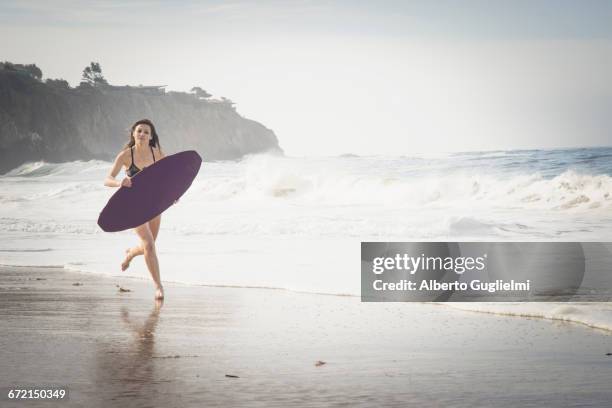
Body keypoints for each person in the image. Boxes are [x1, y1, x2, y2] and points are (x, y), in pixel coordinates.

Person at [104, 119, 166, 299]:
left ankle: (130, 253)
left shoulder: (158, 154)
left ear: (151, 136)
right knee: (148, 244)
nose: (142, 134)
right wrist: (119, 183)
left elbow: (169, 178)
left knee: (150, 244)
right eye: (139, 131)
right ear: (133, 133)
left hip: (154, 204)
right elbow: (107, 178)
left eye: (146, 132)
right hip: (133, 205)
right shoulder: (125, 155)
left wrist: (173, 194)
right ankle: (158, 286)